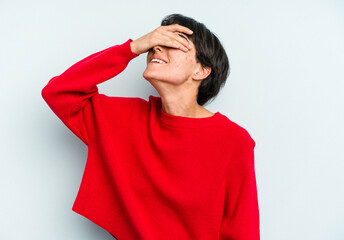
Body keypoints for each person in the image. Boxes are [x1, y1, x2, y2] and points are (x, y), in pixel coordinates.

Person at [41, 13, 260, 240]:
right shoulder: (123, 120)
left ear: (201, 71)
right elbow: (59, 92)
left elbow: (243, 231)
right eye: (155, 42)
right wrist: (132, 48)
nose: (156, 48)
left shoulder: (233, 141)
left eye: (172, 44)